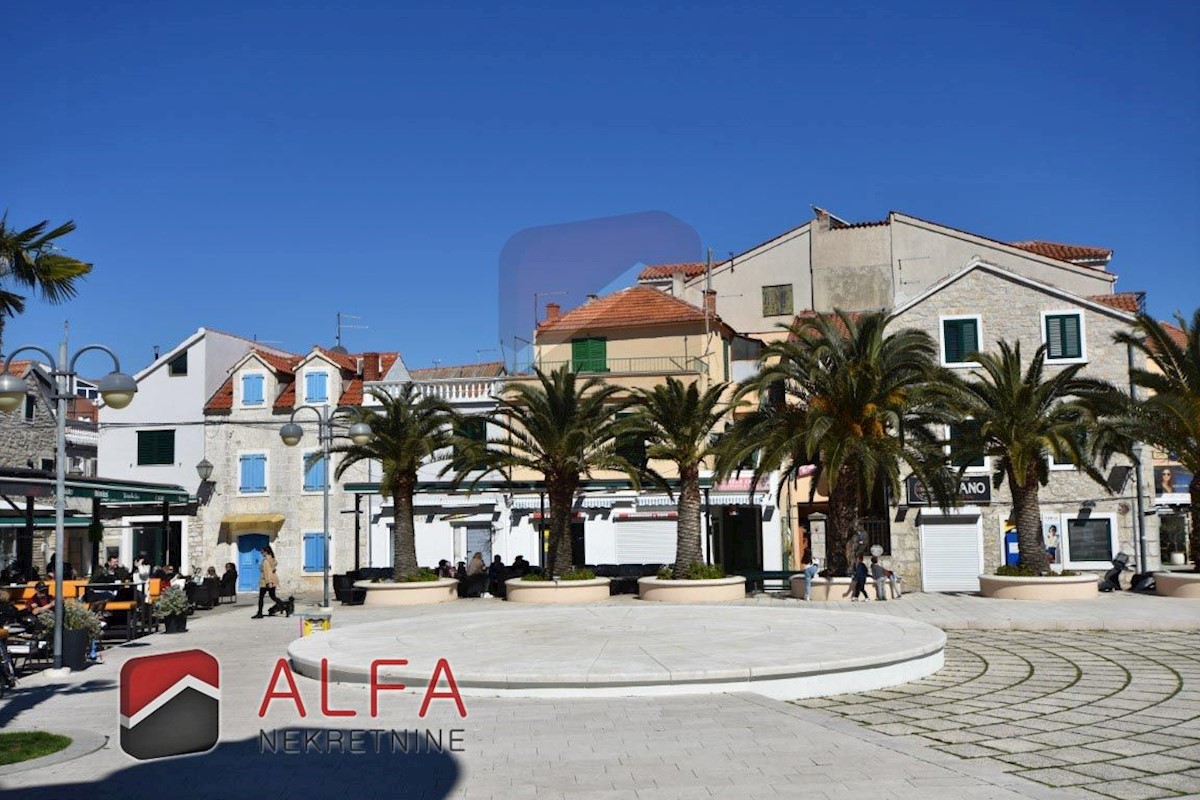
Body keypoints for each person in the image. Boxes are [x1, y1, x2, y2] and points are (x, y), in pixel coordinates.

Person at [253, 546, 281, 619]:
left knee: (261, 598)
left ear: (266, 552)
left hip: (266, 582)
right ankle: (284, 605)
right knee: (273, 596)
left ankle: (259, 613)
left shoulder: (265, 561)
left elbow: (267, 572)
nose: (262, 553)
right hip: (273, 580)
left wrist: (269, 582)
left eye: (262, 552)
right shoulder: (272, 559)